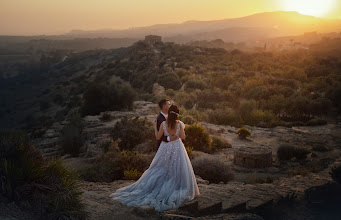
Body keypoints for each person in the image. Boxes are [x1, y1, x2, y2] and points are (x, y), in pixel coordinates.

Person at [109, 104, 200, 212]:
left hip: (165, 148)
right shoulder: (179, 124)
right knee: (177, 168)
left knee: (161, 167)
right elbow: (183, 137)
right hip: (177, 147)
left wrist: (154, 127)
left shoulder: (163, 124)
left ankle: (159, 184)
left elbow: (157, 137)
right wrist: (175, 136)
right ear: (177, 114)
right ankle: (174, 185)